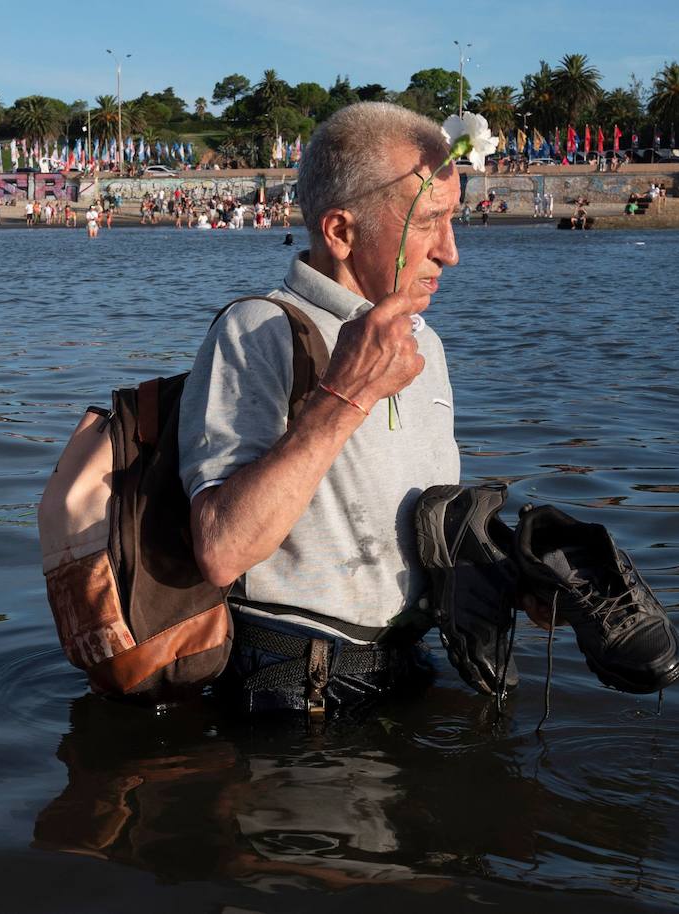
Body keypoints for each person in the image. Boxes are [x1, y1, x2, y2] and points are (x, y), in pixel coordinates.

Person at [177, 102, 464, 715]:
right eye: (429, 222)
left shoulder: (426, 344)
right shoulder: (259, 330)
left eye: (454, 220)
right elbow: (223, 550)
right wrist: (346, 395)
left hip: (409, 667)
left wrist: (520, 578)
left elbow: (424, 528)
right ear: (340, 231)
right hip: (299, 689)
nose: (451, 252)